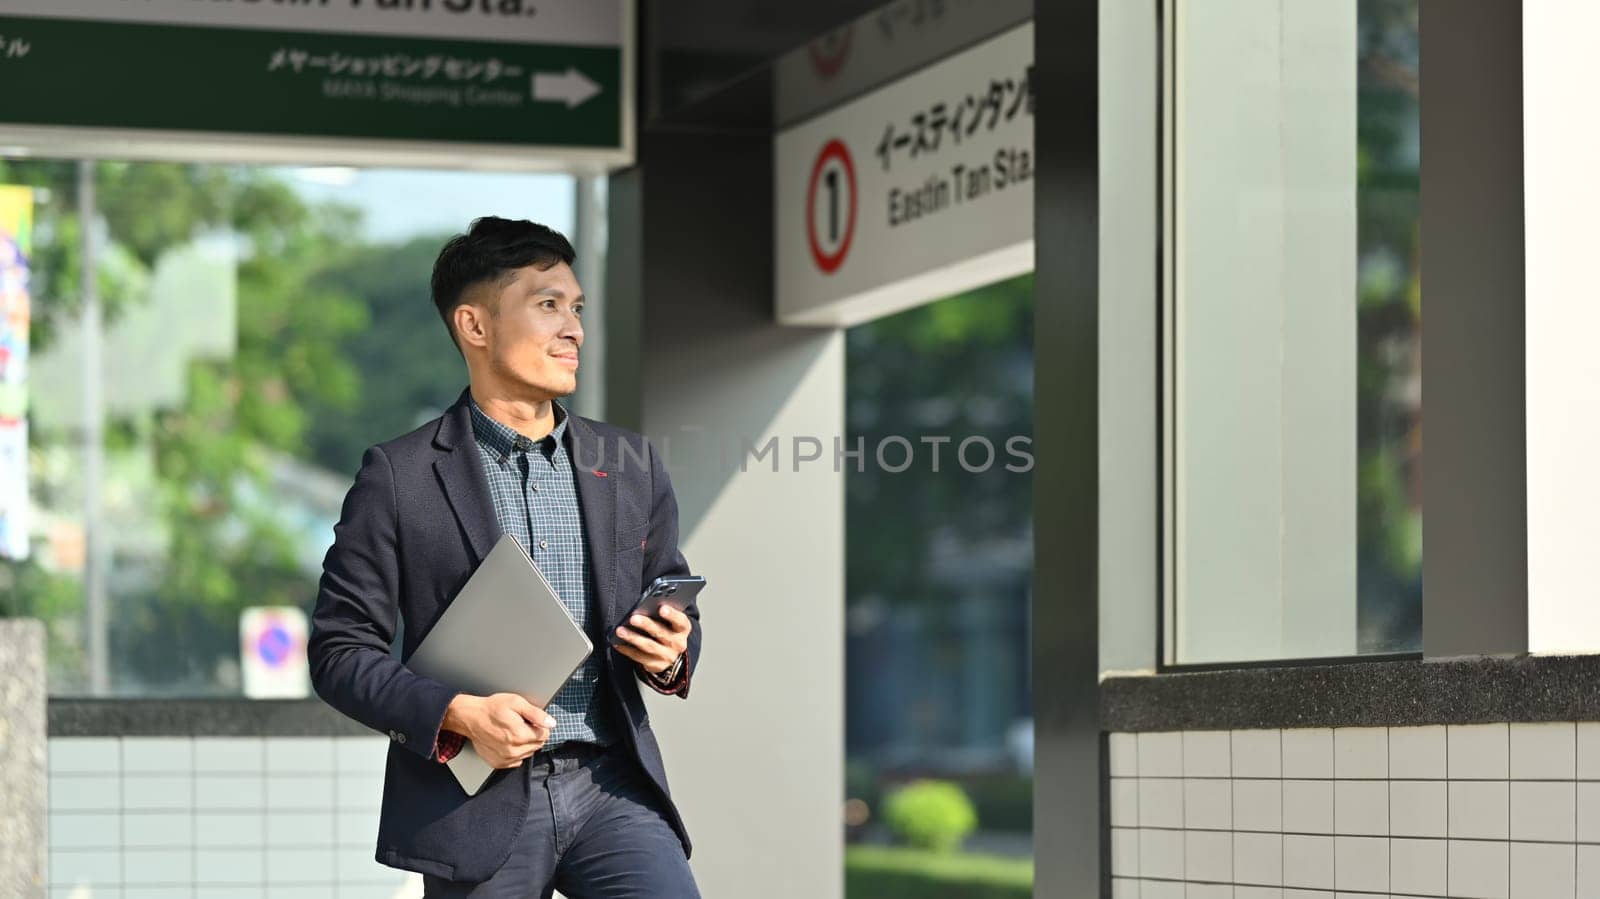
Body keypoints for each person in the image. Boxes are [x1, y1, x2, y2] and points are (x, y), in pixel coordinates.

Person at [308, 216, 703, 897]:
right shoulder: (398, 477)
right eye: (548, 304)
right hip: (473, 800)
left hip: (611, 783)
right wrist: (458, 713)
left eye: (576, 308)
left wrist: (669, 650)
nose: (574, 328)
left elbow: (667, 599)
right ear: (475, 325)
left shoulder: (629, 462)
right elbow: (339, 650)